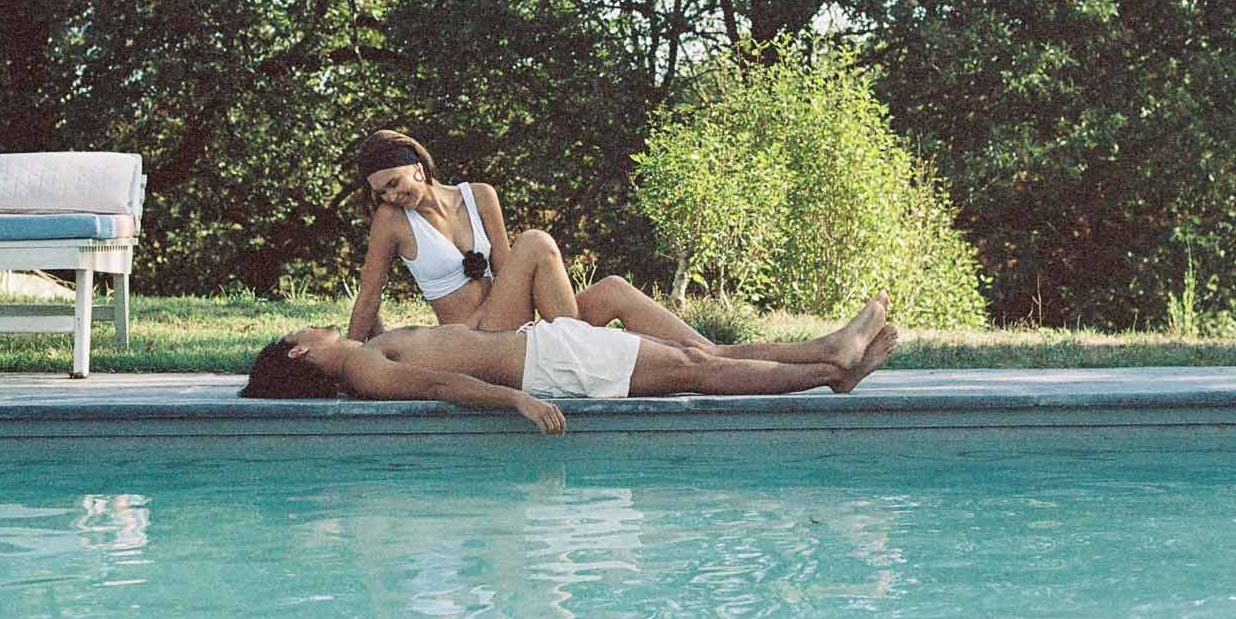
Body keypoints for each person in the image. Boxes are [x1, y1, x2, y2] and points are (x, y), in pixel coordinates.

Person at [245, 294, 900, 434]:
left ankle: (828, 351)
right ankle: (830, 370)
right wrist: (517, 401)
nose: (306, 323)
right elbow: (442, 382)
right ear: (300, 350)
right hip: (554, 368)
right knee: (697, 369)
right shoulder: (362, 369)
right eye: (297, 331)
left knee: (697, 356)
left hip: (551, 350)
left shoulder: (364, 351)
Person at [347, 129, 743, 351]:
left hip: (510, 320)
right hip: (475, 337)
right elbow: (369, 297)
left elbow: (506, 271)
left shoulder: (479, 195)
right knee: (535, 241)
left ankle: (712, 352)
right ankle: (584, 349)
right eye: (382, 191)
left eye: (394, 183)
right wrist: (353, 354)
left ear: (418, 167)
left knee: (613, 290)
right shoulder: (392, 221)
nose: (392, 195)